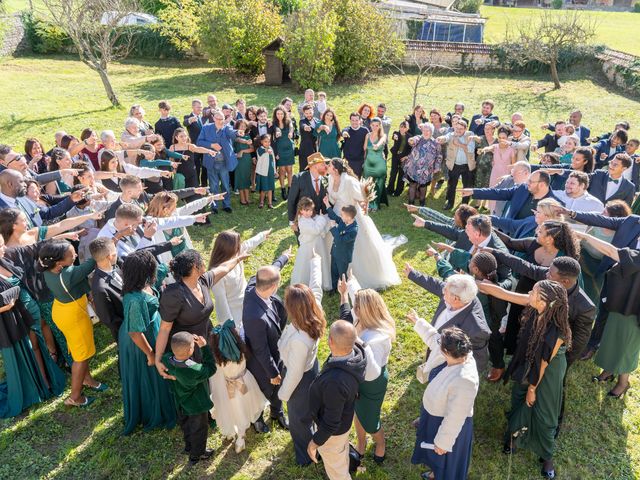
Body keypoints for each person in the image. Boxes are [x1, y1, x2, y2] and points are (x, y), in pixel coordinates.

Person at [481, 280, 570, 479]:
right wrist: (475, 283)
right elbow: (504, 293)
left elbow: (545, 363)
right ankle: (514, 437)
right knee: (518, 398)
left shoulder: (557, 331)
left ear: (544, 302)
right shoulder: (534, 307)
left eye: (534, 292)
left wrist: (532, 388)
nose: (529, 292)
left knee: (544, 411)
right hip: (528, 360)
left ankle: (547, 455)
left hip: (548, 371)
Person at [155, 249, 249, 378]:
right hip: (188, 347)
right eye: (202, 260)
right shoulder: (174, 294)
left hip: (206, 339)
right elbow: (165, 328)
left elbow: (224, 268)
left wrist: (238, 259)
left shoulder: (203, 281)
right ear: (195, 266)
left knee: (213, 373)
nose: (205, 262)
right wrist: (158, 359)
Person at [406, 320, 478, 480]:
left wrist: (443, 443)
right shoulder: (457, 353)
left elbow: (455, 417)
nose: (437, 344)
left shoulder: (465, 380)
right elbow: (434, 338)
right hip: (436, 415)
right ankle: (434, 473)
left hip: (447, 425)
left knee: (445, 461)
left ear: (445, 351)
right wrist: (418, 322)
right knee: (434, 456)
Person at [39, 239, 107, 407]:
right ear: (59, 261)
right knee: (81, 357)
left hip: (62, 311)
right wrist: (115, 237)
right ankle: (75, 397)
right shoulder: (68, 274)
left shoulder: (49, 270)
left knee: (79, 350)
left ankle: (87, 379)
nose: (75, 255)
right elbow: (92, 262)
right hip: (73, 316)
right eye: (71, 254)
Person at [575, 232, 640, 399]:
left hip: (635, 312)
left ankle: (623, 383)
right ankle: (609, 371)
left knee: (627, 347)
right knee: (613, 339)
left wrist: (585, 236)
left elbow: (612, 252)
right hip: (622, 305)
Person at [119, 250, 176, 435]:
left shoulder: (143, 282)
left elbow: (162, 269)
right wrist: (151, 353)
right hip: (141, 342)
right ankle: (154, 410)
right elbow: (135, 332)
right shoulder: (134, 299)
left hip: (152, 329)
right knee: (149, 375)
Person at [338, 278, 395, 464]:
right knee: (357, 412)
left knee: (370, 420)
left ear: (367, 311)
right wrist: (345, 293)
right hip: (358, 379)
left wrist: (357, 340)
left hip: (371, 383)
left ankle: (380, 443)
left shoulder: (377, 339)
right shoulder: (362, 320)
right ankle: (361, 442)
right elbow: (349, 315)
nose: (354, 311)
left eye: (357, 308)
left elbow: (371, 372)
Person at [326, 158, 400, 290]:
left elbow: (361, 198)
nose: (327, 166)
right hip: (337, 214)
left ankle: (358, 275)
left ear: (336, 170)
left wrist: (362, 205)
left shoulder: (349, 181)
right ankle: (335, 275)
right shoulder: (331, 179)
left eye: (329, 165)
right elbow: (332, 198)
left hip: (351, 214)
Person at [306, 320, 367, 480]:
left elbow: (331, 422)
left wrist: (314, 443)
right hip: (344, 420)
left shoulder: (335, 382)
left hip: (334, 434)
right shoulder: (355, 354)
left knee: (337, 472)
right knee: (340, 456)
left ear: (330, 342)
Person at [404, 265, 492, 372]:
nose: (442, 290)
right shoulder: (459, 294)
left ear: (455, 298)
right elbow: (435, 284)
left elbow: (478, 361)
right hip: (434, 345)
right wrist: (413, 274)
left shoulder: (476, 329)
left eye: (445, 290)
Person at [242, 248, 292, 433]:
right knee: (264, 388)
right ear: (273, 288)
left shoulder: (254, 284)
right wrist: (272, 373)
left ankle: (276, 412)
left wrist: (283, 258)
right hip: (261, 360)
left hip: (275, 348)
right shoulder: (255, 317)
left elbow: (272, 268)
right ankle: (257, 418)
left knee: (277, 388)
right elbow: (261, 350)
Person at [278, 273, 326, 466]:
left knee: (299, 420)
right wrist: (315, 262)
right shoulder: (315, 313)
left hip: (300, 381)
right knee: (310, 411)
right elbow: (317, 288)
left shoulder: (300, 340)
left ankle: (307, 457)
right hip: (312, 368)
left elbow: (295, 373)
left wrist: (283, 394)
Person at [208, 319, 267, 454]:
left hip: (228, 388)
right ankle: (240, 438)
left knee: (234, 411)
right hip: (246, 383)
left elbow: (216, 379)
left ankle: (234, 436)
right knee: (244, 410)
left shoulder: (219, 362)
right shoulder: (242, 351)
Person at [162, 332, 216, 466]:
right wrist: (204, 347)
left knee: (186, 424)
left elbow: (165, 356)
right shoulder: (194, 370)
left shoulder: (168, 359)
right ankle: (197, 454)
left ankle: (189, 446)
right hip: (196, 405)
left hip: (180, 401)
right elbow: (211, 368)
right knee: (199, 429)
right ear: (190, 350)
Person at [208, 228, 271, 332]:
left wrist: (263, 235)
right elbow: (221, 302)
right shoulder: (217, 274)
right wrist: (229, 325)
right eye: (237, 245)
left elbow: (248, 244)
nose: (240, 247)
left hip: (248, 303)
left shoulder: (236, 254)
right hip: (234, 313)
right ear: (228, 248)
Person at [460, 170, 561, 221]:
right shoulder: (523, 189)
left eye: (531, 181)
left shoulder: (553, 205)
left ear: (542, 185)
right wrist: (474, 191)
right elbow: (498, 193)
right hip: (507, 234)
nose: (527, 183)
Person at [196, 109, 238, 213]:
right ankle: (214, 205)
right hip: (211, 162)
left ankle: (226, 204)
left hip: (224, 162)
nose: (220, 121)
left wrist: (238, 132)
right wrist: (212, 145)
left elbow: (233, 134)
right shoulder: (206, 128)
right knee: (213, 185)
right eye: (218, 119)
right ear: (214, 118)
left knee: (225, 184)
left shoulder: (226, 128)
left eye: (222, 119)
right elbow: (199, 142)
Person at [290, 197, 331, 290]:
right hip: (308, 247)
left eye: (311, 210)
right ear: (301, 211)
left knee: (319, 262)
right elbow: (316, 230)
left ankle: (321, 282)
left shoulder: (310, 218)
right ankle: (305, 283)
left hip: (318, 245)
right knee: (306, 265)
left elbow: (319, 227)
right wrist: (321, 218)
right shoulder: (303, 222)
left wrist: (321, 218)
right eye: (306, 210)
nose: (309, 212)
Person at [89, 237, 123, 344]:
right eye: (115, 252)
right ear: (109, 257)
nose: (117, 253)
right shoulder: (100, 288)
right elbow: (110, 320)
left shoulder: (117, 266)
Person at [437, 120, 476, 210]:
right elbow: (446, 137)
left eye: (461, 129)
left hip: (467, 166)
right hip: (454, 165)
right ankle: (450, 203)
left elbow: (470, 150)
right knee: (451, 185)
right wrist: (441, 139)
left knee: (467, 186)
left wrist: (459, 144)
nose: (458, 130)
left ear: (465, 129)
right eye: (457, 128)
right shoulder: (452, 134)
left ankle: (464, 205)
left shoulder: (470, 135)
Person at [287, 152, 329, 234]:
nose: (326, 166)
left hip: (320, 223)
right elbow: (291, 201)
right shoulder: (299, 179)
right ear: (315, 166)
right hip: (303, 222)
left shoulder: (326, 179)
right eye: (323, 164)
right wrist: (292, 221)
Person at [404, 123, 442, 206]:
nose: (425, 132)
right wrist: (411, 139)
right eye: (424, 130)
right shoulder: (418, 138)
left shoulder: (436, 143)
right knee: (412, 185)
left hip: (427, 169)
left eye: (428, 130)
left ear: (431, 132)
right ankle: (411, 203)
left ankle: (422, 203)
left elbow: (439, 156)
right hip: (414, 168)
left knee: (423, 186)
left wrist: (437, 167)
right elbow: (412, 140)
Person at [325, 198, 358, 291]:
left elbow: (340, 240)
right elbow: (335, 217)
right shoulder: (344, 221)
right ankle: (334, 288)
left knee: (342, 274)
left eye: (342, 215)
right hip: (335, 252)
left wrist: (333, 227)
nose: (341, 216)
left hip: (343, 256)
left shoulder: (353, 230)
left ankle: (345, 290)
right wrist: (327, 204)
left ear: (349, 217)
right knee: (334, 271)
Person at [363, 118, 388, 211]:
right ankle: (368, 203)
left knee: (378, 184)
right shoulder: (367, 135)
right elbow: (365, 148)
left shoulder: (383, 136)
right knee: (368, 184)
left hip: (379, 165)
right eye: (373, 125)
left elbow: (381, 141)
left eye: (377, 125)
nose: (374, 127)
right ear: (370, 125)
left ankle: (375, 205)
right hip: (368, 164)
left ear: (380, 126)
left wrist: (377, 145)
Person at [271, 106, 295, 200]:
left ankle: (290, 188)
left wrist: (290, 132)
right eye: (278, 114)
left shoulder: (288, 122)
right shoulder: (273, 123)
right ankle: (282, 189)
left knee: (289, 170)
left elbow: (291, 127)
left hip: (289, 147)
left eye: (281, 113)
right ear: (275, 114)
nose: (280, 115)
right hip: (279, 149)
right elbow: (275, 130)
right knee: (281, 171)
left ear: (284, 114)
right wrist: (277, 131)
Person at [183, 99, 206, 188]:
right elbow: (185, 123)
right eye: (198, 107)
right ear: (193, 107)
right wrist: (190, 120)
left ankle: (204, 185)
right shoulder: (188, 117)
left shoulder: (203, 118)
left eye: (201, 107)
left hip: (204, 147)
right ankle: (196, 186)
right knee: (196, 167)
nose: (200, 109)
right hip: (194, 147)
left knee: (205, 168)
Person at [387, 121, 412, 197]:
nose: (402, 128)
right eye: (401, 126)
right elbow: (394, 136)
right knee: (393, 174)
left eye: (404, 127)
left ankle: (398, 191)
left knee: (401, 174)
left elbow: (410, 149)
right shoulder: (396, 133)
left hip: (403, 158)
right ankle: (390, 190)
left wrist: (406, 157)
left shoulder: (409, 137)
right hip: (395, 156)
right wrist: (395, 137)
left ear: (407, 128)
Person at [233, 119, 254, 205]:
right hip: (239, 160)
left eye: (245, 126)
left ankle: (247, 198)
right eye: (241, 126)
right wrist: (245, 142)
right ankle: (242, 199)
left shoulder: (248, 136)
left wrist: (242, 151)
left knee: (246, 178)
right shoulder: (235, 137)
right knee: (240, 178)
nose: (243, 128)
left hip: (247, 159)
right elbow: (238, 140)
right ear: (237, 127)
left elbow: (252, 149)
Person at [341, 113, 368, 178]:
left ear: (360, 120)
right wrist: (344, 133)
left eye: (356, 120)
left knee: (356, 181)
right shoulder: (347, 130)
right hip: (347, 161)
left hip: (359, 161)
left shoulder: (365, 131)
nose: (354, 122)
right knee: (346, 181)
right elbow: (344, 131)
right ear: (350, 120)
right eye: (352, 120)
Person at [255, 134, 277, 209]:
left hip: (270, 171)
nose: (267, 143)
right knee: (264, 189)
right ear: (261, 142)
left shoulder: (271, 148)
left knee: (270, 188)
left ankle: (270, 203)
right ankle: (261, 202)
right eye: (265, 141)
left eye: (269, 141)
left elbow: (273, 160)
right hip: (263, 172)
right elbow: (262, 152)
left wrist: (275, 171)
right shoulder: (260, 149)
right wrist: (267, 150)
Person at [298, 104, 319, 171]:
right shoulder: (302, 121)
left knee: (315, 169)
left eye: (310, 113)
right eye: (306, 113)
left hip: (316, 149)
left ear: (313, 111)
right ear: (304, 114)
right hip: (305, 149)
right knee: (304, 168)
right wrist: (305, 127)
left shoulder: (317, 121)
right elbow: (302, 125)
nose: (308, 115)